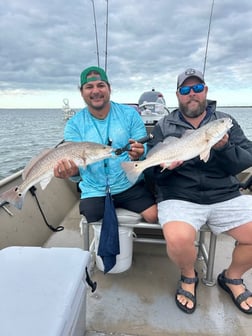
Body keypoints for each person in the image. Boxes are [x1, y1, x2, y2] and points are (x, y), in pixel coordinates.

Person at [147, 68, 252, 314]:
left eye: (197, 88)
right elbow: (152, 173)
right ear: (177, 95)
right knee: (178, 238)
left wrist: (224, 148)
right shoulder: (164, 125)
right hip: (179, 196)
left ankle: (232, 277)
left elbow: (246, 158)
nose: (191, 94)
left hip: (224, 194)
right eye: (185, 90)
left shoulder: (226, 122)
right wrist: (167, 168)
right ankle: (188, 274)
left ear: (205, 91)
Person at [54, 66, 157, 224]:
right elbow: (76, 171)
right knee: (92, 217)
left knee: (153, 216)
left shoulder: (129, 114)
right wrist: (70, 172)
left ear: (109, 88)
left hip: (129, 184)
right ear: (82, 92)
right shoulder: (74, 124)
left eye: (101, 85)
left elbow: (144, 150)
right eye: (89, 87)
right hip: (94, 189)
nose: (95, 91)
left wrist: (140, 152)